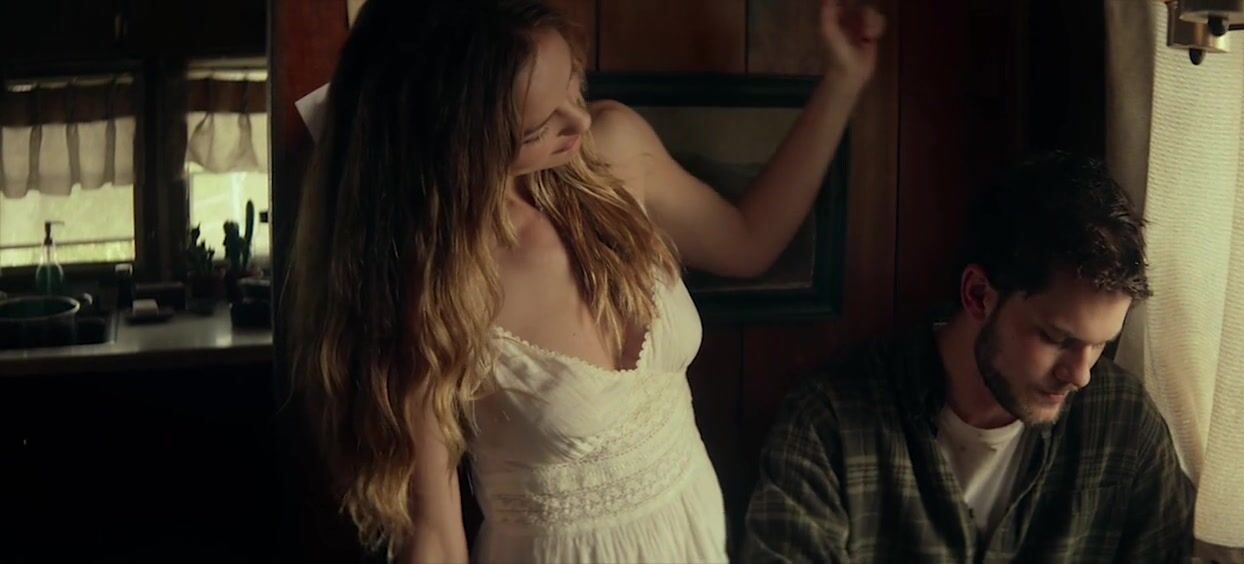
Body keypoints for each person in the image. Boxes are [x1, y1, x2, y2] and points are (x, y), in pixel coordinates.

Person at [287, 0, 884, 562]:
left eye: (573, 82)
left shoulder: (614, 150)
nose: (580, 119)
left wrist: (843, 81)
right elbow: (437, 538)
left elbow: (750, 240)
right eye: (537, 128)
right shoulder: (429, 291)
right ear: (454, 143)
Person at [742, 153, 1196, 562]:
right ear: (979, 295)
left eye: (1100, 345)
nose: (1080, 375)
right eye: (1057, 338)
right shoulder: (831, 422)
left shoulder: (1124, 422)